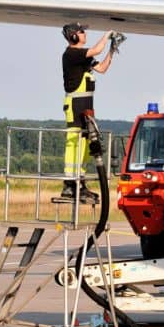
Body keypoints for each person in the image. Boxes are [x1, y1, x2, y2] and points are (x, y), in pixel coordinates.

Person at [60, 22, 115, 202]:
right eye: (82, 32)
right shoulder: (72, 54)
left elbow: (102, 68)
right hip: (75, 104)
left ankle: (80, 183)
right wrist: (107, 34)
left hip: (86, 107)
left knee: (84, 146)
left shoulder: (83, 57)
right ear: (73, 36)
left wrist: (113, 50)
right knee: (74, 141)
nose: (84, 34)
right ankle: (69, 184)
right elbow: (96, 50)